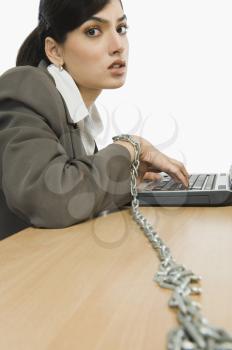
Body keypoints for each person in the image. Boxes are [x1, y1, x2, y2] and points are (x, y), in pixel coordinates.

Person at [0, 0, 189, 240]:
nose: (117, 46)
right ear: (55, 51)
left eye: (121, 29)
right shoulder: (25, 86)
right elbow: (51, 199)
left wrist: (128, 176)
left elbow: (76, 188)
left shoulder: (75, 114)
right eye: (93, 31)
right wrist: (130, 147)